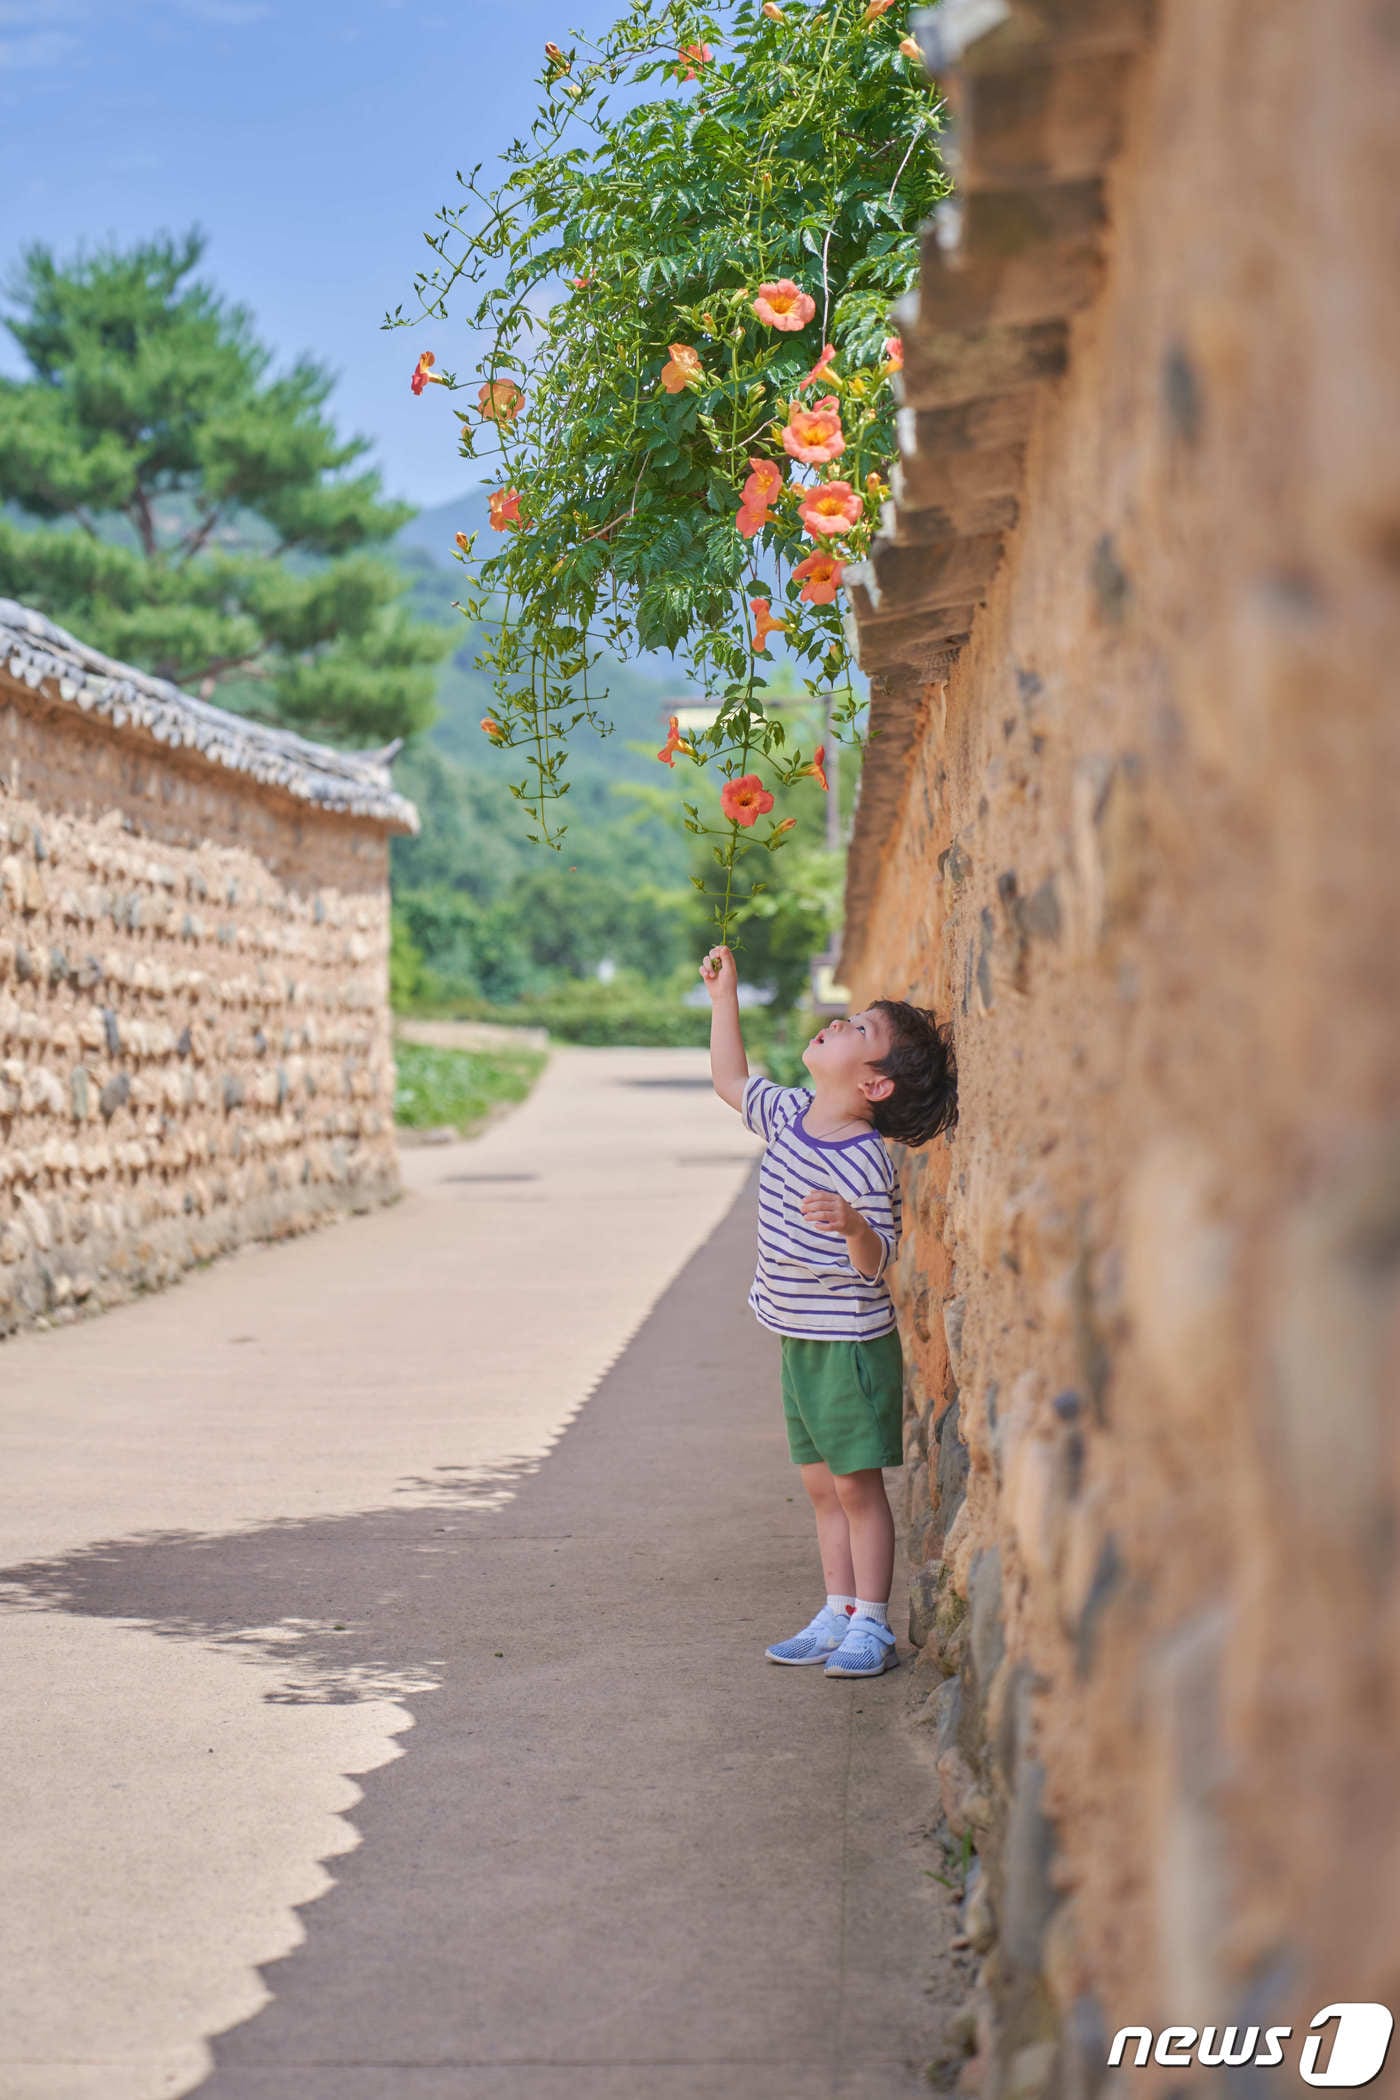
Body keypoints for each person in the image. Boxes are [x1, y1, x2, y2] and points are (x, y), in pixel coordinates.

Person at [699, 942, 958, 1678]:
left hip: (847, 1344)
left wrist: (851, 1225)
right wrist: (726, 997)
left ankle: (871, 1623)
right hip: (798, 1336)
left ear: (874, 1086)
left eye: (860, 1031)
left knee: (856, 1484)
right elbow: (729, 1079)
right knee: (819, 1484)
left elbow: (878, 1265)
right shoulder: (788, 1114)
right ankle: (836, 1609)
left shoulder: (865, 1161)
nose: (840, 1025)